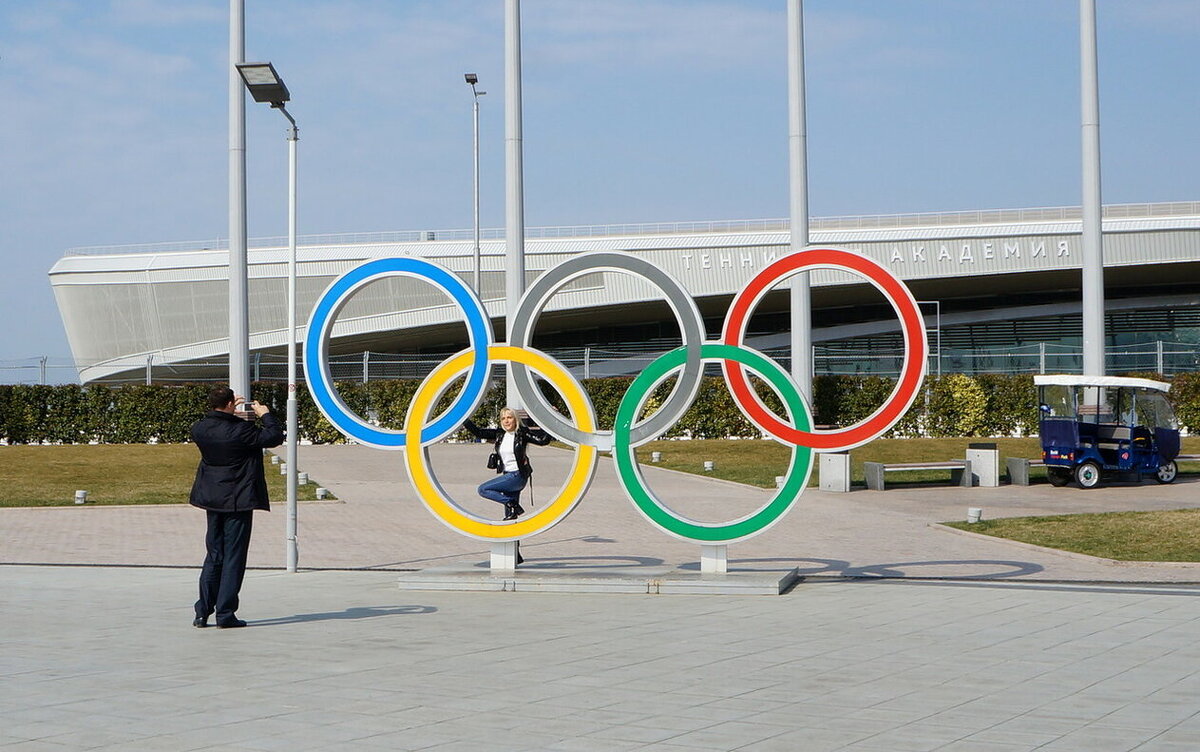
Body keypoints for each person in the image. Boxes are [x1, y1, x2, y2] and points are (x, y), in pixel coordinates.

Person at [189, 385, 284, 629]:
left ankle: (202, 612)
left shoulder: (200, 429)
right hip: (238, 499)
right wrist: (264, 414)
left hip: (212, 498)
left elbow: (225, 431)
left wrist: (231, 413)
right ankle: (225, 613)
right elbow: (273, 436)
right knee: (233, 557)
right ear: (231, 404)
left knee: (214, 554)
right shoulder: (241, 431)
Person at [463, 407, 550, 520]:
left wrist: (548, 419)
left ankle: (512, 503)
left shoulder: (522, 433)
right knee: (510, 518)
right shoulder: (500, 434)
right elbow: (478, 432)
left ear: (515, 419)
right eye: (503, 418)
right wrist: (464, 418)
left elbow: (543, 440)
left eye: (509, 417)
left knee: (483, 489)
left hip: (517, 476)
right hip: (507, 475)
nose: (506, 421)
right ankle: (513, 524)